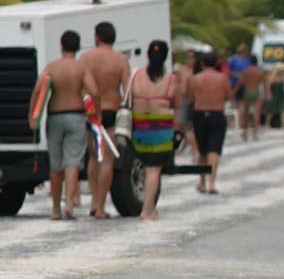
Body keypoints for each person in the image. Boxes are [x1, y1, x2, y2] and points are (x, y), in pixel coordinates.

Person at [29, 30, 98, 220]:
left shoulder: (52, 67)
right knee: (72, 162)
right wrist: (96, 113)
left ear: (61, 46)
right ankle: (69, 204)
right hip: (76, 116)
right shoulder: (81, 68)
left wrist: (32, 116)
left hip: (55, 117)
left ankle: (55, 209)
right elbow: (94, 91)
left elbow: (37, 90)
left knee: (55, 164)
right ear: (78, 47)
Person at [80, 21, 130, 220]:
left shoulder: (85, 58)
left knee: (93, 158)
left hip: (91, 111)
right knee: (107, 161)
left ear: (97, 37)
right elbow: (127, 90)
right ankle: (100, 207)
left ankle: (94, 202)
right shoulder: (121, 60)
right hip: (111, 111)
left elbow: (81, 87)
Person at [130, 40, 180, 220]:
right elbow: (177, 103)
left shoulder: (136, 76)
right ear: (165, 57)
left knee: (146, 167)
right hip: (161, 131)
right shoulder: (170, 79)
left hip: (139, 129)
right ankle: (147, 210)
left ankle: (150, 208)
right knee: (154, 170)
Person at [188, 51, 230, 195]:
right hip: (217, 114)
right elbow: (228, 95)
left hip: (200, 114)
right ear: (216, 63)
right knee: (214, 151)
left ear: (202, 63)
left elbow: (191, 98)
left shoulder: (195, 78)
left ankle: (202, 182)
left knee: (202, 151)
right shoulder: (223, 78)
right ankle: (212, 183)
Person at [174, 49, 201, 160]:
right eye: (188, 57)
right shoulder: (182, 70)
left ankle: (194, 150)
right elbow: (176, 85)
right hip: (184, 100)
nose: (190, 60)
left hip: (196, 100)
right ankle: (188, 145)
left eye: (192, 57)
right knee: (182, 125)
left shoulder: (198, 70)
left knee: (192, 127)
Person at [235, 55, 266, 141]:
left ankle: (245, 132)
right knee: (256, 113)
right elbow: (264, 83)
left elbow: (240, 82)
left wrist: (234, 91)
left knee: (246, 113)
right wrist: (267, 93)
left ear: (250, 62)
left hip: (248, 92)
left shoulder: (246, 70)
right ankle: (255, 134)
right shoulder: (260, 71)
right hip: (256, 92)